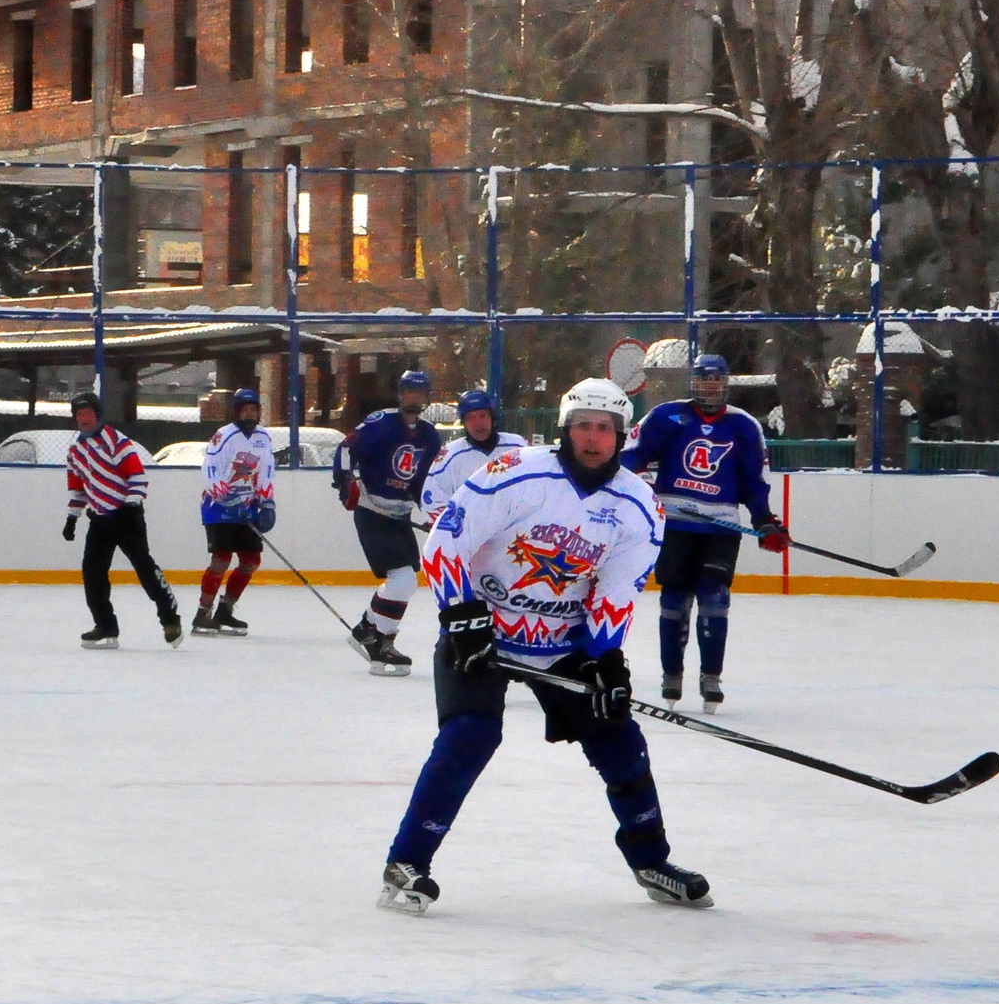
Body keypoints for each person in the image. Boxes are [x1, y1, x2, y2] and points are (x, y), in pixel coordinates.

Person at [378, 378, 713, 917]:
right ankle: (407, 860)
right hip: (483, 627)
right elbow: (446, 540)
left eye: (605, 429)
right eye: (583, 425)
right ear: (564, 430)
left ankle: (651, 861)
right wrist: (461, 614)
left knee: (621, 743)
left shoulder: (639, 507)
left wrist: (605, 659)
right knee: (471, 734)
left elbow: (616, 592)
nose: (594, 438)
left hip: (561, 644)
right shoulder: (517, 474)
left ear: (621, 436)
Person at [621, 352, 785, 710]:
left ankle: (711, 676)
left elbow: (754, 480)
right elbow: (634, 454)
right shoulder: (666, 416)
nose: (710, 385)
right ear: (693, 382)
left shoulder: (744, 426)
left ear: (725, 383)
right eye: (704, 378)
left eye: (717, 379)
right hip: (675, 525)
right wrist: (610, 479)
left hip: (720, 531)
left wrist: (764, 520)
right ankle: (672, 676)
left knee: (715, 599)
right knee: (674, 601)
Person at [333, 368, 443, 676]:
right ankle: (376, 637)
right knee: (402, 579)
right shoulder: (381, 422)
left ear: (426, 397)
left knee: (407, 580)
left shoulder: (429, 435)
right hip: (372, 509)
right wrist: (346, 481)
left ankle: (370, 632)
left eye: (420, 393)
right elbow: (346, 449)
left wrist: (436, 514)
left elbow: (425, 482)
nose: (414, 398)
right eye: (410, 392)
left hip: (399, 513)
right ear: (400, 394)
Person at [62, 391, 182, 650]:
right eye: (79, 415)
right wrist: (72, 517)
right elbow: (78, 488)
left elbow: (137, 477)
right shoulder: (75, 451)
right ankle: (105, 625)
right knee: (92, 573)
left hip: (127, 517)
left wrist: (131, 504)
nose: (84, 419)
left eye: (88, 414)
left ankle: (170, 617)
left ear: (98, 415)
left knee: (143, 568)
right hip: (100, 521)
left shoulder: (117, 441)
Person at [194, 387, 273, 635]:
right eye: (244, 410)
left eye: (254, 410)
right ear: (236, 412)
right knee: (221, 559)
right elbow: (210, 469)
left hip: (247, 507)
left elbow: (266, 471)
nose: (249, 414)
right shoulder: (224, 436)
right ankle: (202, 614)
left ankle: (225, 610)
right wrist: (225, 496)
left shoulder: (264, 437)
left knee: (250, 561)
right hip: (218, 507)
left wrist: (267, 502)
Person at [419, 389, 527, 522]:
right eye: (470, 418)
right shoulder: (449, 456)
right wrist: (456, 527)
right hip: (469, 538)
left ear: (492, 418)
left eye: (482, 416)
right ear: (463, 422)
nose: (478, 423)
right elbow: (433, 500)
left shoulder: (518, 447)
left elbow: (535, 489)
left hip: (511, 534)